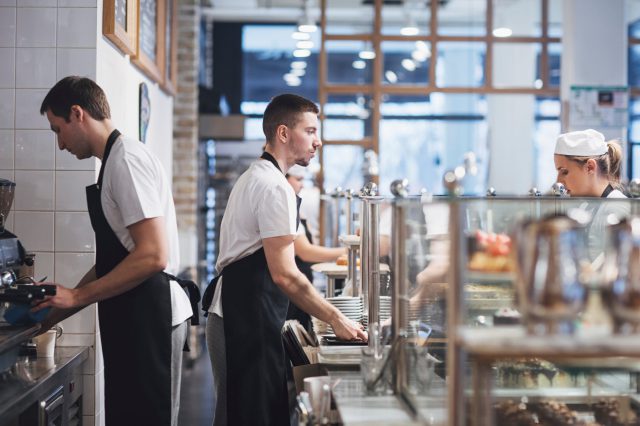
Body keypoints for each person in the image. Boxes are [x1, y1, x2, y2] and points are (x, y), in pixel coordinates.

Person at [33, 76, 193, 426]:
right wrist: (55, 311)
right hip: (135, 316)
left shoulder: (126, 161)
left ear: (78, 113)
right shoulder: (114, 162)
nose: (60, 144)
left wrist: (77, 297)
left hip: (151, 314)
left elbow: (153, 255)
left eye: (57, 130)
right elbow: (117, 260)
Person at [204, 94, 367, 426]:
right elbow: (285, 275)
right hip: (242, 318)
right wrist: (336, 318)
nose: (317, 142)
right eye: (309, 131)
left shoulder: (259, 176)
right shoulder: (273, 186)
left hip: (243, 314)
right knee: (250, 415)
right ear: (282, 133)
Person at [554, 128, 630, 260]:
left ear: (590, 167)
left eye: (564, 172)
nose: (558, 181)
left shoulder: (617, 205)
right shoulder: (586, 206)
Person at [286, 164, 346, 330]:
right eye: (298, 179)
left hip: (298, 288)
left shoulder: (295, 204)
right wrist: (347, 251)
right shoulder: (287, 205)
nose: (302, 185)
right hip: (292, 294)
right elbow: (305, 251)